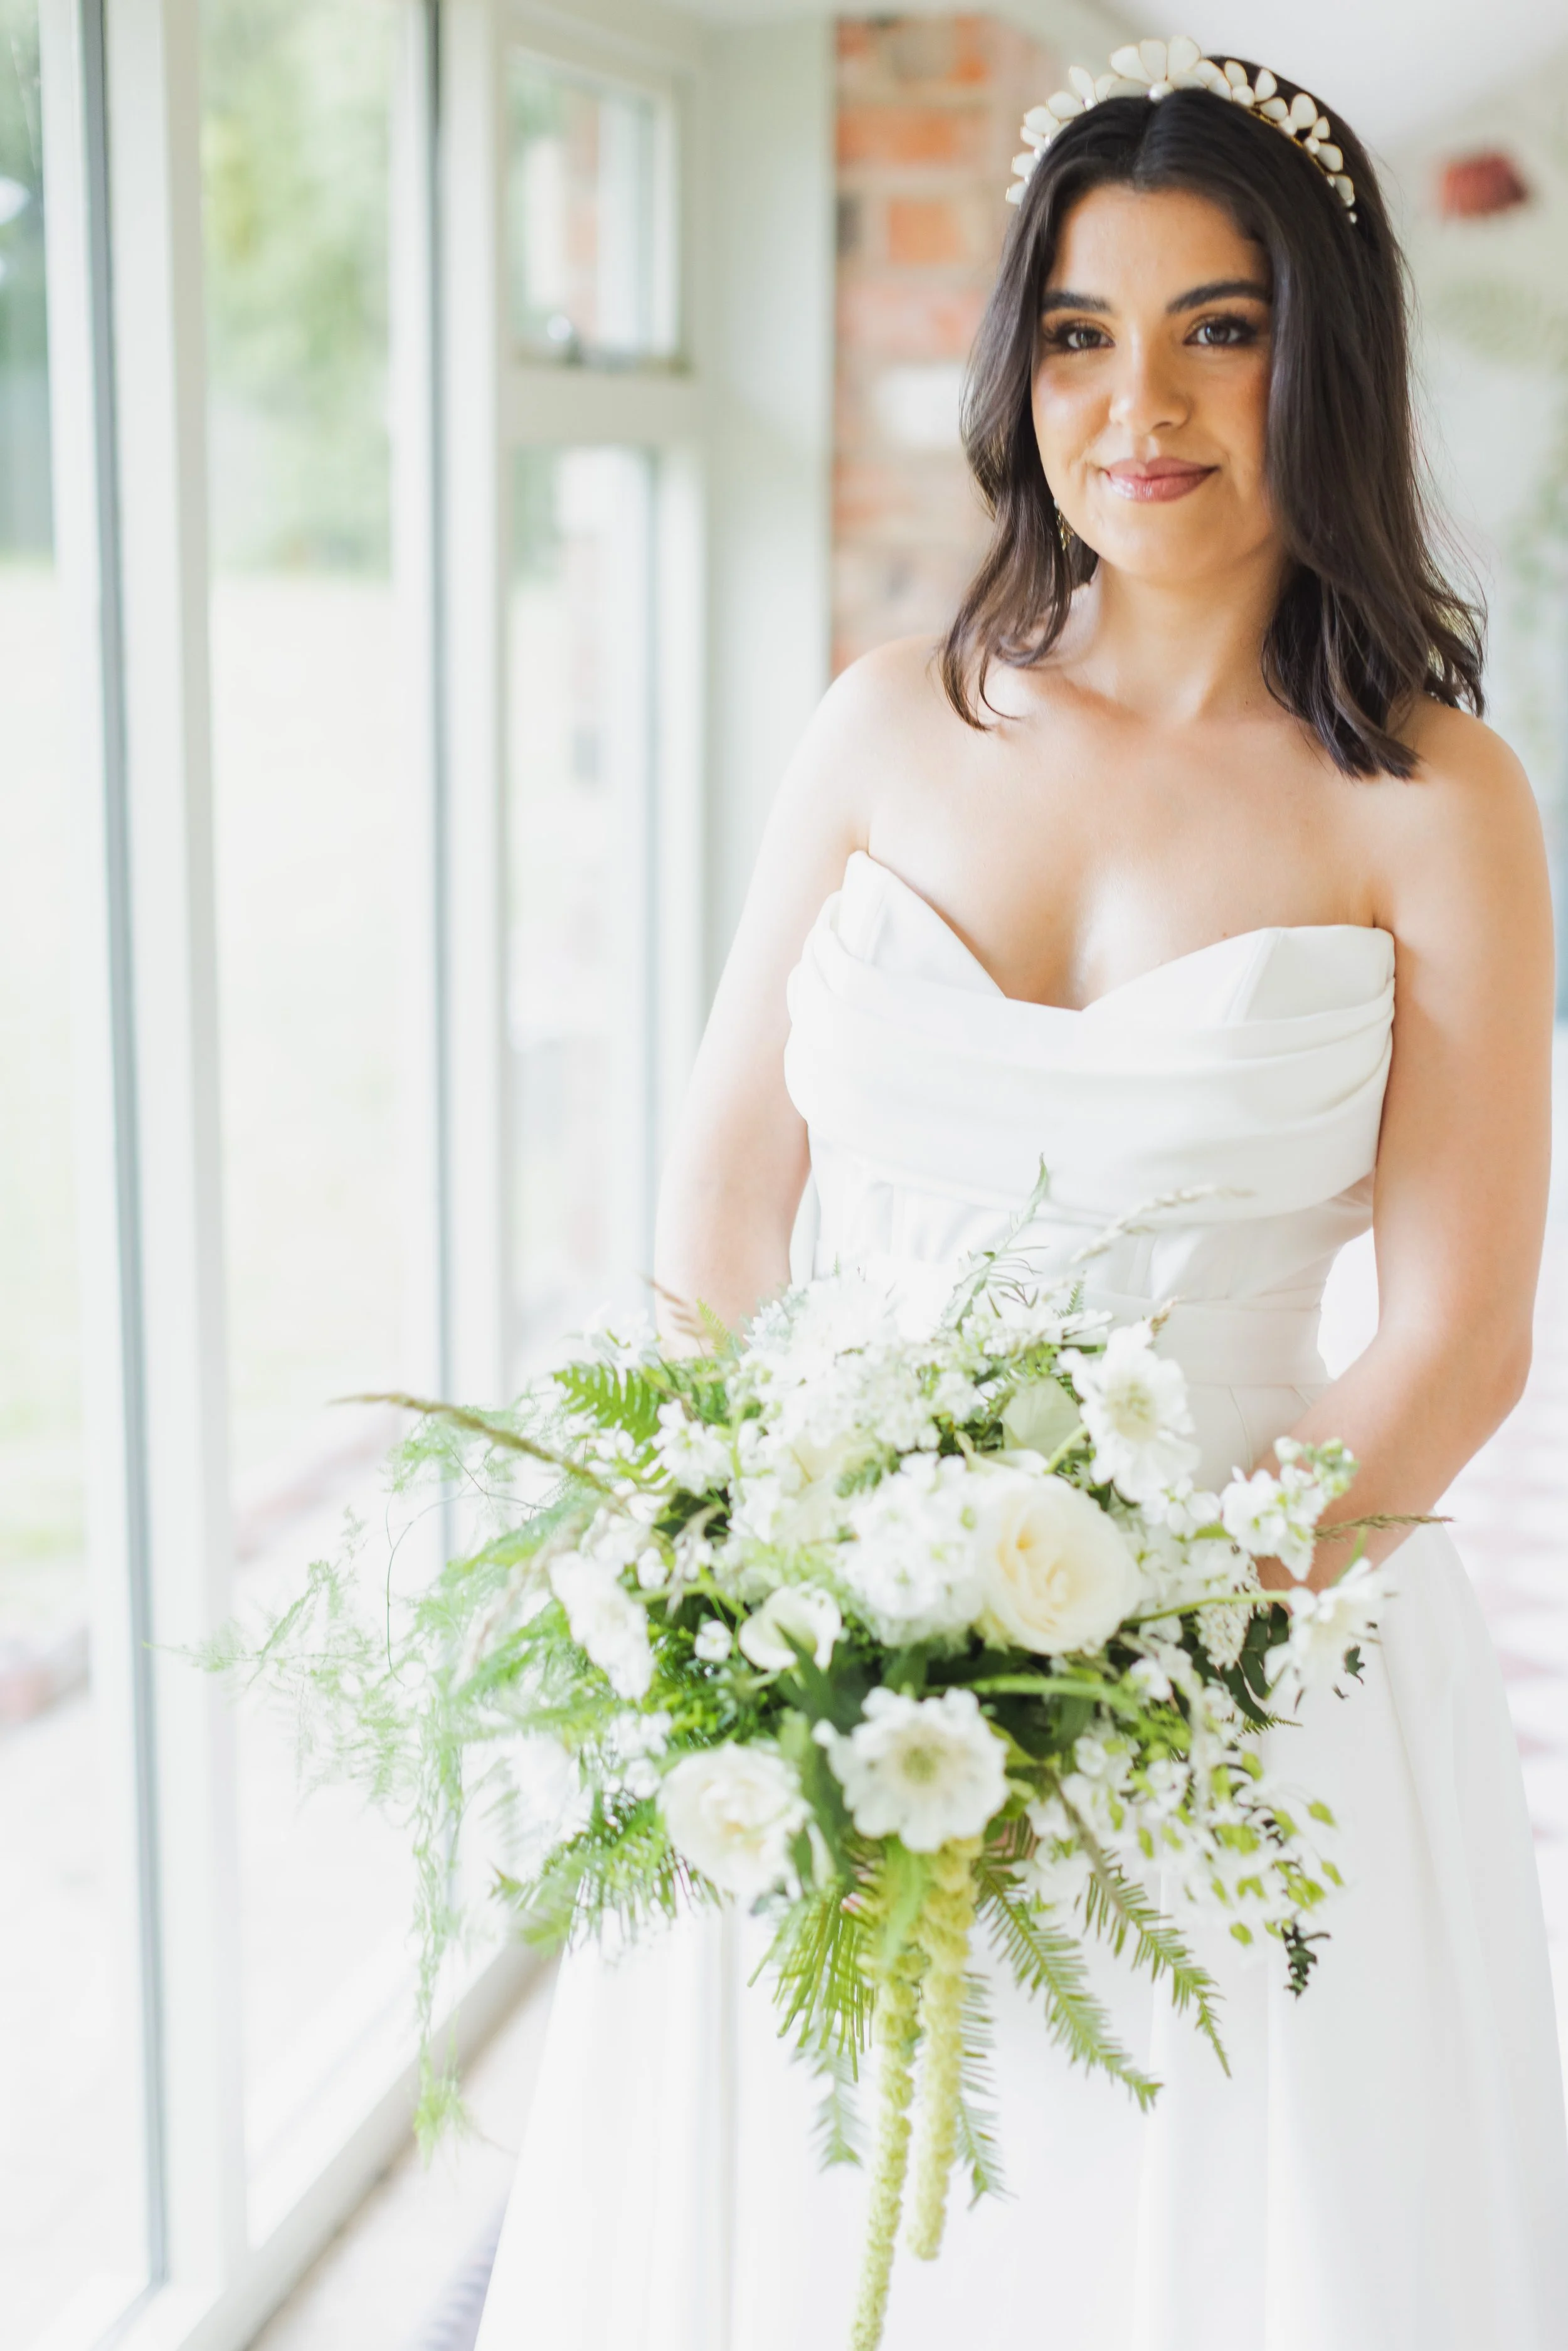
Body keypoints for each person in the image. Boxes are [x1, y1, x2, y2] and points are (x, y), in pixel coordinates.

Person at [475, 40, 1568, 2349]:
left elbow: (1458, 1341)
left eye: (1216, 328)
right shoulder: (887, 717)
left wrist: (1138, 1663)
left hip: (1249, 1673)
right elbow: (718, 1213)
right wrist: (778, 1591)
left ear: (1324, 358)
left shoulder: (1433, 797)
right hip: (836, 1657)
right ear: (1016, 366)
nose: (1135, 404)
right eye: (1077, 332)